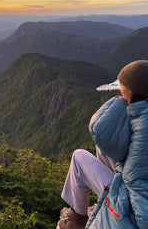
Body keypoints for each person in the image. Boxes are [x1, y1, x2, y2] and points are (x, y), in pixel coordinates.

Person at [58, 60, 148, 229]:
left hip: (129, 207)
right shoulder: (142, 117)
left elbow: (99, 128)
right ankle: (102, 193)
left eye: (123, 86)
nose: (120, 90)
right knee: (103, 147)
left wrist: (120, 105)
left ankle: (77, 220)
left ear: (133, 92)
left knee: (79, 157)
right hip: (136, 187)